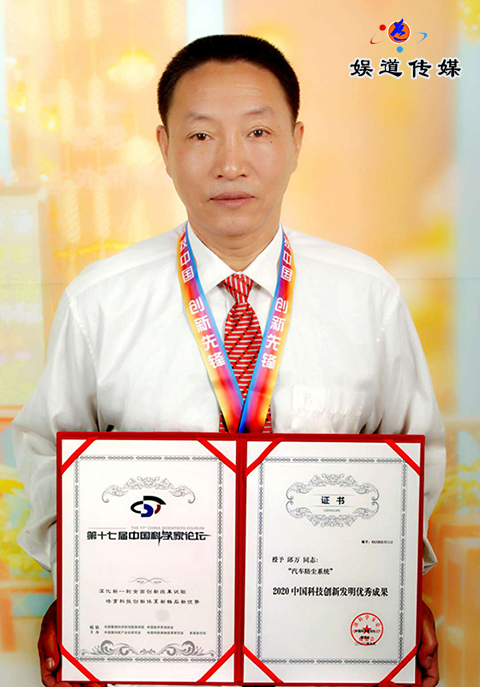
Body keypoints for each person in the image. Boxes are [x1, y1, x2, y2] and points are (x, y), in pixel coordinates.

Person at [12, 34, 445, 687]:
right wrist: (73, 592)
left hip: (327, 642)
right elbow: (49, 454)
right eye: (201, 135)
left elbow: (415, 455)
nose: (231, 164)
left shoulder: (367, 296)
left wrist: (400, 590)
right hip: (154, 641)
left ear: (296, 141)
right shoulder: (99, 301)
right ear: (164, 148)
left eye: (258, 132)